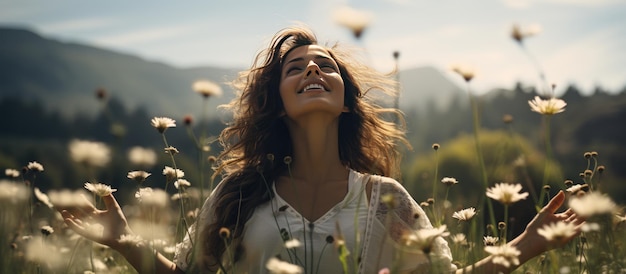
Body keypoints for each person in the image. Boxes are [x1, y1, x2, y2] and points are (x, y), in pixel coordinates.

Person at [60, 25, 584, 273]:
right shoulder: (237, 193)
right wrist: (127, 243)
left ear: (346, 101)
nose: (313, 69)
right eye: (296, 68)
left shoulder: (385, 197)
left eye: (326, 66)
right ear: (278, 102)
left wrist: (527, 244)